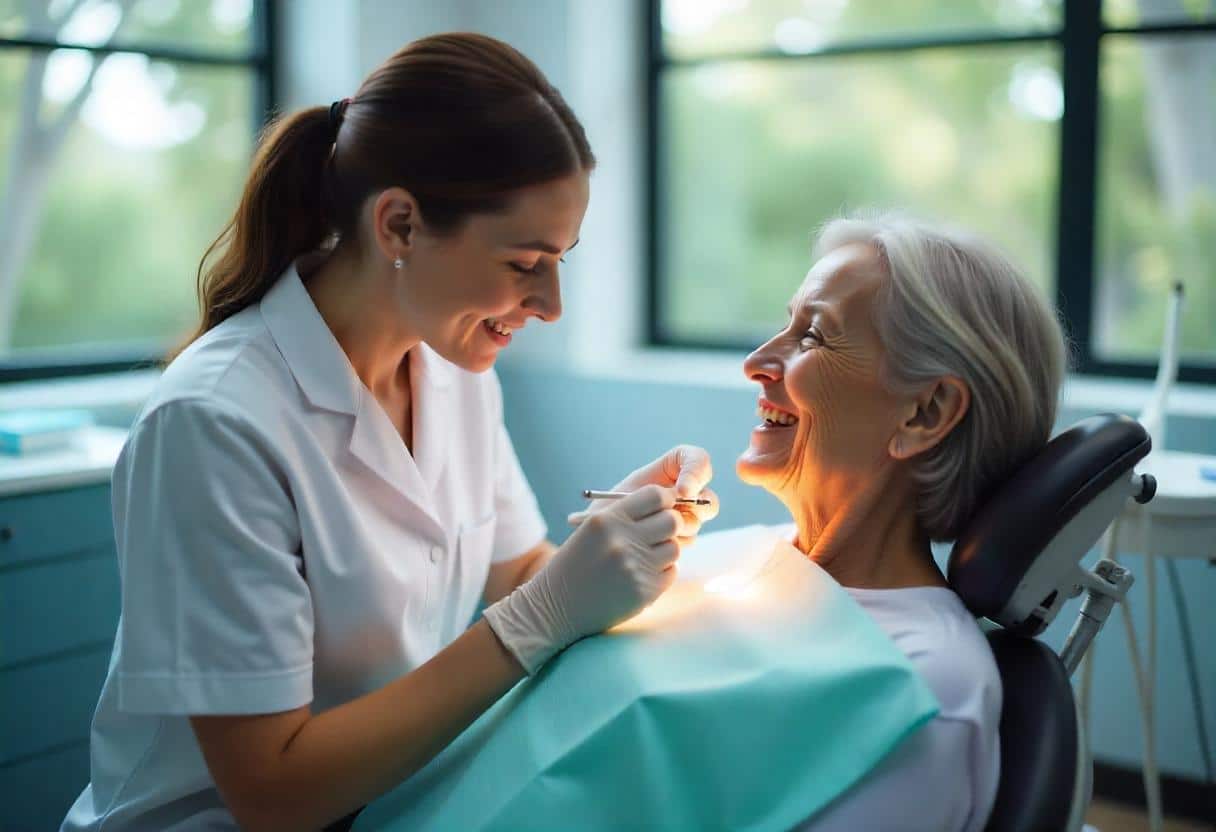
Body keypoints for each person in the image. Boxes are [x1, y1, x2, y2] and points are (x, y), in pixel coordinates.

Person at [62, 33, 717, 831]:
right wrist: (546, 611)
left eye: (562, 261)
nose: (551, 305)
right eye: (523, 264)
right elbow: (272, 792)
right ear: (400, 224)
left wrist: (621, 546)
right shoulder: (214, 422)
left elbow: (518, 573)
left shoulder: (453, 371)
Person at [737, 213, 1066, 831]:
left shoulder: (923, 690)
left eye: (812, 337)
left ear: (925, 412)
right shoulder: (746, 559)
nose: (756, 362)